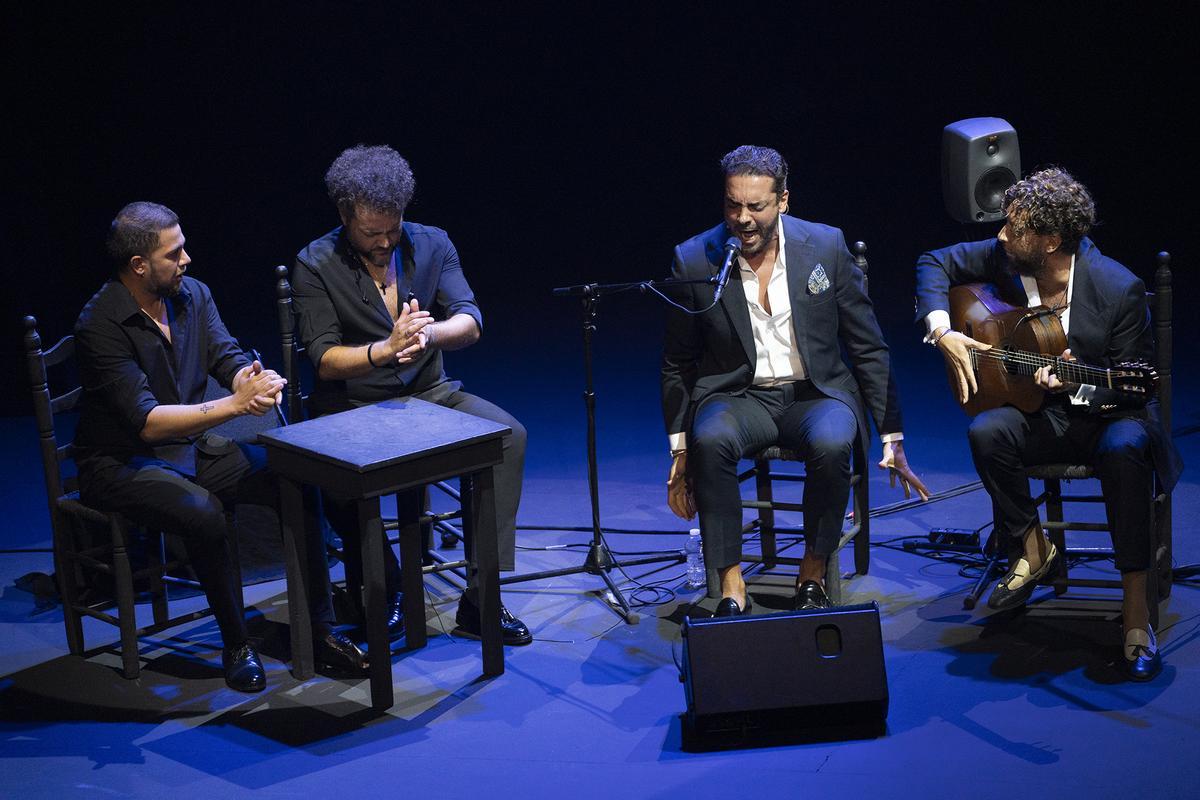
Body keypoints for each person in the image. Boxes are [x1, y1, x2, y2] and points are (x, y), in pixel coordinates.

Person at [74, 202, 366, 692]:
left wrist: (251, 378)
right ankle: (237, 643)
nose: (187, 259)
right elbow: (146, 424)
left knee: (297, 473)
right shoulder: (100, 323)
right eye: (175, 253)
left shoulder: (193, 296)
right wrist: (235, 406)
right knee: (204, 513)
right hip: (121, 462)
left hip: (190, 449)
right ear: (139, 265)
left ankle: (319, 630)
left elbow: (224, 354)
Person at [915, 167, 1183, 681]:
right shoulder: (1006, 258)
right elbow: (933, 261)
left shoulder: (1117, 288)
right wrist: (943, 331)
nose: (999, 235)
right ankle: (1033, 545)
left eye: (1014, 229)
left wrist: (1074, 383)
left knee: (1126, 448)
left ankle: (1134, 615)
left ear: (1051, 241)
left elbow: (1133, 385)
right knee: (986, 431)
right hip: (1043, 417)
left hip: (1109, 417)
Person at [662, 145, 928, 617]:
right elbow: (678, 360)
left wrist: (892, 434)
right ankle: (730, 583)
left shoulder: (824, 246)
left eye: (756, 207)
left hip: (816, 393)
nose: (742, 219)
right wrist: (679, 450)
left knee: (831, 443)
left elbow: (868, 345)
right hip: (739, 396)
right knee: (711, 439)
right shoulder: (696, 259)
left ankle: (811, 571)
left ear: (783, 201)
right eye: (732, 205)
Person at [291, 145, 531, 645]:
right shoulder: (314, 263)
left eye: (392, 231)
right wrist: (384, 350)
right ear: (344, 215)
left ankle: (482, 595)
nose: (384, 243)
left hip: (429, 393)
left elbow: (470, 317)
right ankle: (390, 586)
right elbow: (324, 358)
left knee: (510, 436)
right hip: (353, 405)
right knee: (336, 477)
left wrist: (428, 336)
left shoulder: (433, 243)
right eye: (371, 233)